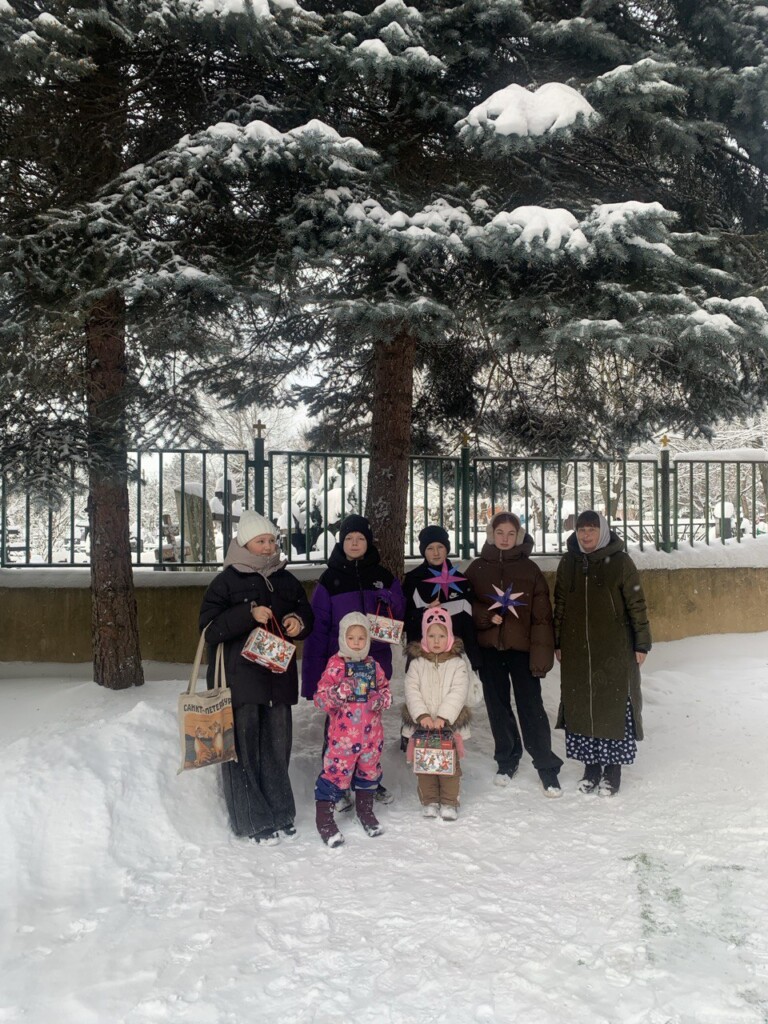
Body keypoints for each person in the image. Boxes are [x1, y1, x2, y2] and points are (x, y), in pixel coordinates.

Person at [199, 510, 313, 844]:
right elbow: (209, 629)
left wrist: (298, 622)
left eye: (271, 540)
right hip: (241, 681)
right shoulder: (225, 582)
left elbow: (306, 612)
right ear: (244, 543)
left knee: (277, 748)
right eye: (260, 541)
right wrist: (247, 614)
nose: (267, 546)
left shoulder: (285, 579)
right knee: (244, 751)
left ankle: (280, 812)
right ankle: (252, 819)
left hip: (278, 677)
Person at [301, 514, 405, 805]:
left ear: (368, 542)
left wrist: (391, 600)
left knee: (369, 728)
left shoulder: (383, 576)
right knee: (339, 728)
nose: (355, 543)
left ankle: (368, 781)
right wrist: (313, 679)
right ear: (342, 542)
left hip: (374, 665)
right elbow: (318, 629)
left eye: (360, 538)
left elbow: (400, 614)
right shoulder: (330, 580)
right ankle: (336, 783)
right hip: (340, 669)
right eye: (349, 538)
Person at [464, 511, 563, 797]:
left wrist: (541, 658)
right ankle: (507, 759)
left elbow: (542, 618)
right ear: (491, 534)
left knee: (531, 707)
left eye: (510, 534)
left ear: (518, 536)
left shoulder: (530, 570)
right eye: (499, 533)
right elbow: (466, 606)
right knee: (497, 707)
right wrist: (486, 616)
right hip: (490, 651)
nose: (505, 539)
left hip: (523, 652)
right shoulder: (477, 568)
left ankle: (546, 765)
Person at [553, 510, 651, 796]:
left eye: (592, 530)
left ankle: (613, 770)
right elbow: (560, 603)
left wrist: (641, 643)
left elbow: (636, 604)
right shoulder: (569, 562)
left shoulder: (620, 562)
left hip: (614, 649)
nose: (586, 535)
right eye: (582, 530)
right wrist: (558, 641)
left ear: (603, 531)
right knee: (583, 707)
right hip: (577, 649)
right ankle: (592, 767)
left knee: (613, 707)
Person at [313, 613, 392, 846]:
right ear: (342, 638)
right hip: (343, 739)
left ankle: (365, 811)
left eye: (361, 638)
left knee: (369, 772)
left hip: (371, 736)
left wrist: (381, 699)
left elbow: (386, 691)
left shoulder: (373, 666)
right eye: (351, 638)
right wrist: (338, 693)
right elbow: (320, 699)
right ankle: (324, 820)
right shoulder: (335, 666)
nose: (356, 643)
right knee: (335, 774)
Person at [402, 607, 471, 820]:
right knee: (425, 766)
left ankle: (449, 802)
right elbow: (411, 690)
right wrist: (421, 715)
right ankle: (430, 800)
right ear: (424, 636)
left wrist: (443, 716)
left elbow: (458, 691)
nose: (436, 641)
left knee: (449, 766)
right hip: (423, 727)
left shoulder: (457, 664)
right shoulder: (417, 664)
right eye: (431, 636)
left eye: (441, 636)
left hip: (447, 727)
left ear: (449, 636)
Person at [403, 525, 481, 669]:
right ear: (423, 551)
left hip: (454, 658)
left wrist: (474, 659)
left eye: (440, 547)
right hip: (422, 658)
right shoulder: (413, 580)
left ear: (447, 548)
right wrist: (425, 611)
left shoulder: (461, 581)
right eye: (430, 548)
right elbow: (405, 621)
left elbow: (469, 625)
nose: (436, 553)